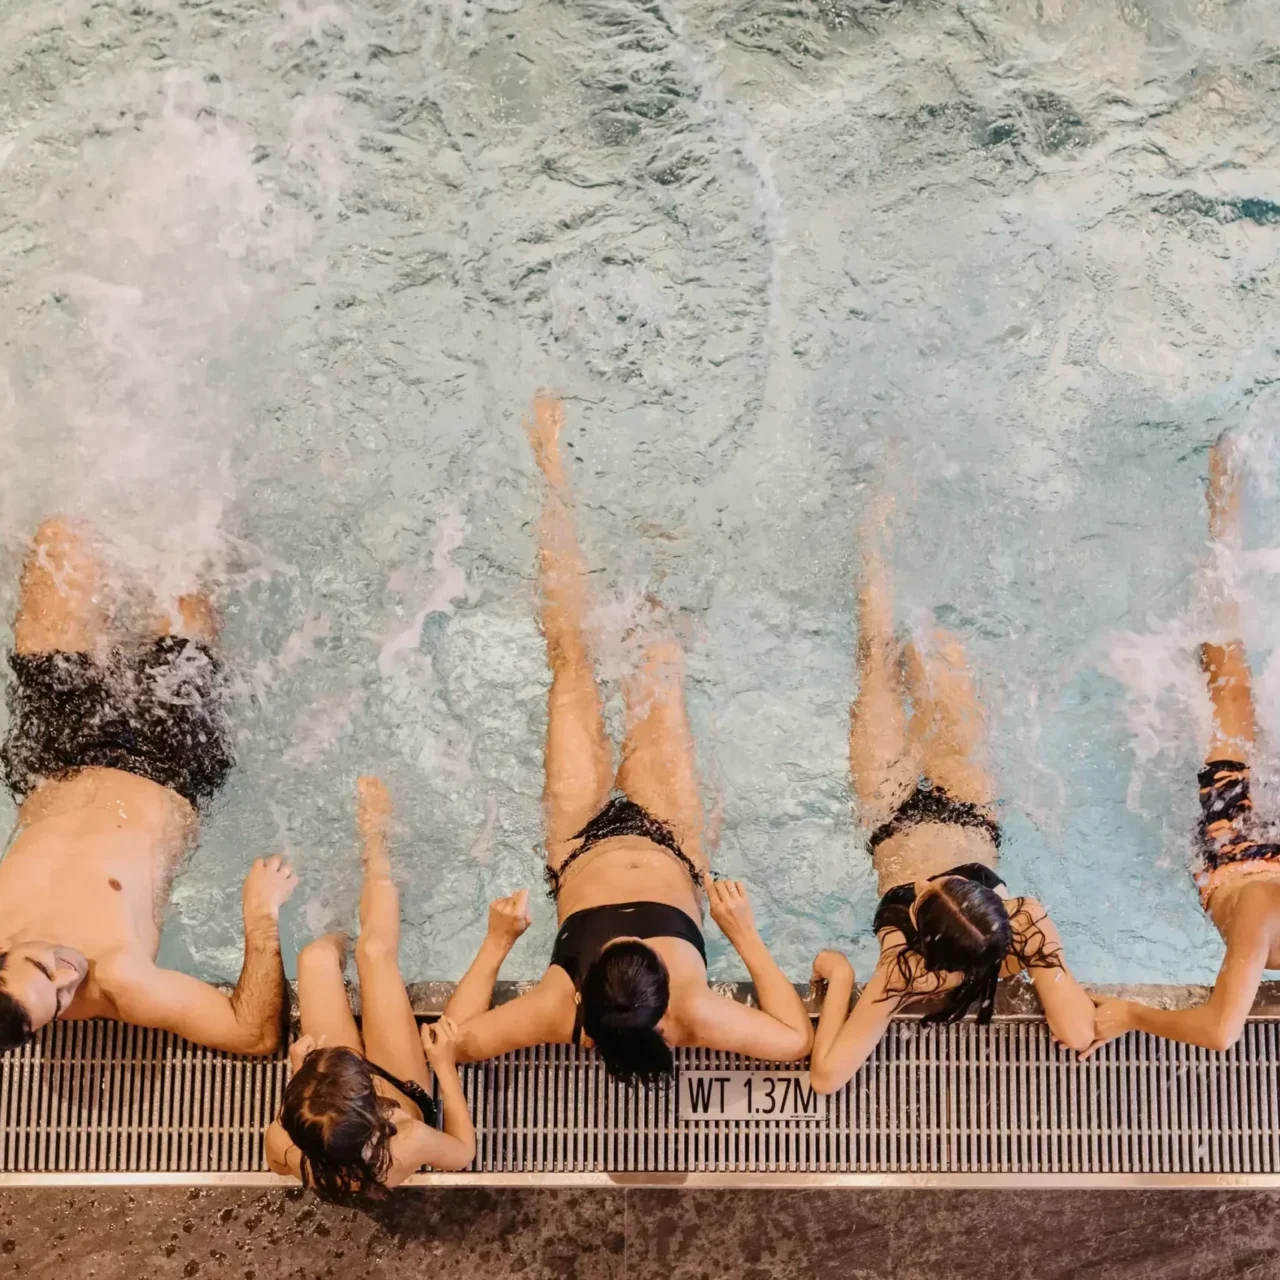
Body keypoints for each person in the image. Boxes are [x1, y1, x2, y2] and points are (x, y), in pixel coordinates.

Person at [451, 395, 813, 1083]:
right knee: (659, 661)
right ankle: (671, 508)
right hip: (671, 833)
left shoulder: (557, 1011)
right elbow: (794, 1039)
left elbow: (457, 1038)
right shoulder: (696, 1013)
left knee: (571, 663)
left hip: (578, 838)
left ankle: (553, 473)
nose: (627, 930)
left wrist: (497, 947)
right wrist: (745, 938)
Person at [807, 502, 1094, 1094]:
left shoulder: (902, 970)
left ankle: (878, 530)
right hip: (968, 803)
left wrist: (838, 978)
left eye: (925, 894)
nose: (931, 878)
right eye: (957, 883)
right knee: (942, 655)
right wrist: (1049, 965)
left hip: (888, 813)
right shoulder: (1025, 923)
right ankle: (931, 534)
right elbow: (1076, 1031)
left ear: (920, 931)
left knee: (878, 659)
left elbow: (828, 1076)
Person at [0, 519, 297, 1055]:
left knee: (60, 543)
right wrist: (261, 920)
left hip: (54, 755)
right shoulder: (121, 982)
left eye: (44, 968)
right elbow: (251, 1035)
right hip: (166, 763)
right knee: (189, 548)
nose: (71, 976)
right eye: (61, 1003)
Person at [1087, 438, 1280, 1055]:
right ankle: (1223, 503)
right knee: (1225, 664)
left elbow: (1221, 1031)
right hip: (1241, 844)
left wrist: (1131, 1013)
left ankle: (1224, 507)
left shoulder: (1261, 910)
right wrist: (1130, 1016)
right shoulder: (1260, 911)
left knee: (1227, 668)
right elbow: (1220, 1030)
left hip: (1244, 840)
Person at [266, 777, 520, 1197]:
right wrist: (444, 1067)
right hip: (400, 1084)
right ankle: (377, 848)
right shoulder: (404, 1144)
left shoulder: (290, 1150)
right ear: (374, 1120)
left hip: (330, 1106)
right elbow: (462, 1151)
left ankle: (341, 926)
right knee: (377, 952)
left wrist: (300, 1076)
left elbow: (276, 1159)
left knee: (314, 958)